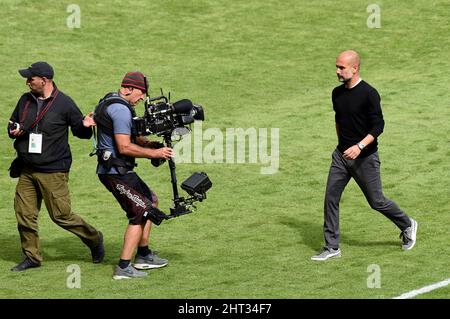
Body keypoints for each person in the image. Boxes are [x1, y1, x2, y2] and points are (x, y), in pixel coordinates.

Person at [311, 50, 418, 261]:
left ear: (355, 68)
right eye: (337, 66)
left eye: (341, 67)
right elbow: (339, 120)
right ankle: (332, 247)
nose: (337, 71)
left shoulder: (369, 93)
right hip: (341, 156)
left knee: (376, 201)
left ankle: (407, 224)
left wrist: (359, 146)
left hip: (365, 158)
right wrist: (343, 146)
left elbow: (379, 125)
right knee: (330, 198)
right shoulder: (337, 93)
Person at [8, 61, 105, 271]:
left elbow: (80, 131)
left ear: (44, 80)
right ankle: (32, 257)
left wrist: (86, 125)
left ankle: (94, 238)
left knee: (61, 216)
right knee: (24, 214)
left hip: (53, 171)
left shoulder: (64, 103)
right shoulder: (25, 100)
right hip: (27, 169)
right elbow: (13, 122)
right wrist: (13, 129)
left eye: (30, 78)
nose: (27, 82)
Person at [94, 71, 173, 280]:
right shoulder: (120, 109)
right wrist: (154, 153)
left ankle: (144, 255)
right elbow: (124, 145)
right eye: (141, 92)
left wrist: (148, 144)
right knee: (140, 211)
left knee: (152, 201)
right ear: (128, 88)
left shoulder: (114, 102)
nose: (142, 98)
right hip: (114, 172)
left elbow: (132, 137)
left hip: (121, 170)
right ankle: (123, 267)